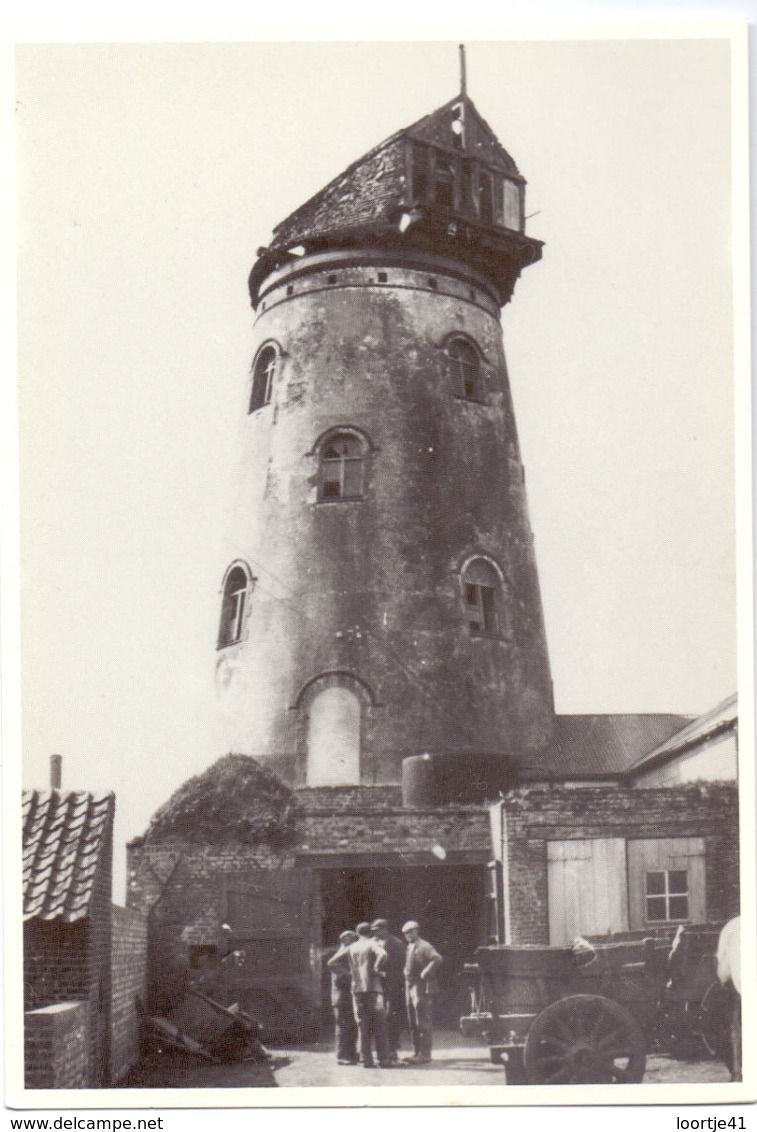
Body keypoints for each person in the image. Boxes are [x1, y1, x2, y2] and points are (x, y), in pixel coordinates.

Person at [347, 921, 395, 1068]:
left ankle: (365, 1060)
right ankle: (383, 1060)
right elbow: (383, 954)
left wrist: (348, 974)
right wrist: (376, 968)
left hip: (357, 990)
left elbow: (332, 963)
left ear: (357, 934)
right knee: (379, 1025)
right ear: (370, 932)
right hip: (374, 990)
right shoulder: (373, 944)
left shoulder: (351, 947)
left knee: (363, 1026)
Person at [402, 920, 443, 1064]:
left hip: (421, 986)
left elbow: (437, 959)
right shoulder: (410, 946)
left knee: (422, 1020)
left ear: (416, 931)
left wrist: (426, 970)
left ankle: (425, 1054)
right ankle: (416, 1052)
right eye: (405, 933)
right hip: (410, 985)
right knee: (412, 1020)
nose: (407, 935)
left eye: (410, 932)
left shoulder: (424, 945)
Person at [371, 918, 405, 1062]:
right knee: (376, 1016)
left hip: (392, 986)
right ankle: (379, 1050)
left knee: (391, 1016)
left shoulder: (397, 944)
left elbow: (399, 967)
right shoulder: (372, 943)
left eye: (377, 930)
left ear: (384, 929)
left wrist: (385, 974)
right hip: (375, 986)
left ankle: (392, 1049)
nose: (375, 933)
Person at [326, 930, 359, 1065]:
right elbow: (339, 975)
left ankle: (350, 1054)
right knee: (344, 1026)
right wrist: (351, 975)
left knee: (349, 1026)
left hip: (345, 997)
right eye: (351, 939)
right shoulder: (339, 958)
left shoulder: (344, 955)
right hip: (341, 997)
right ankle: (342, 1056)